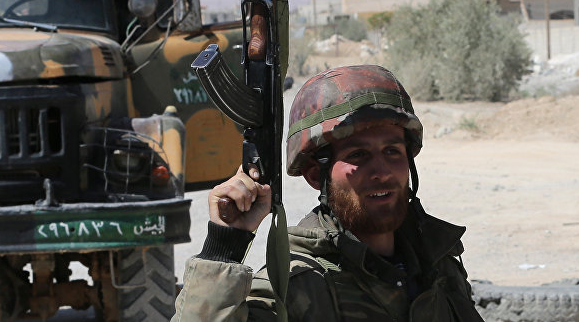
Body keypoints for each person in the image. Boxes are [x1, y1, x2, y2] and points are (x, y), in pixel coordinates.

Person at [172, 65, 484, 321]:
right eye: (358, 156)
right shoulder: (295, 284)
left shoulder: (438, 264)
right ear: (314, 175)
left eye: (392, 151)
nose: (382, 171)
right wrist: (223, 248)